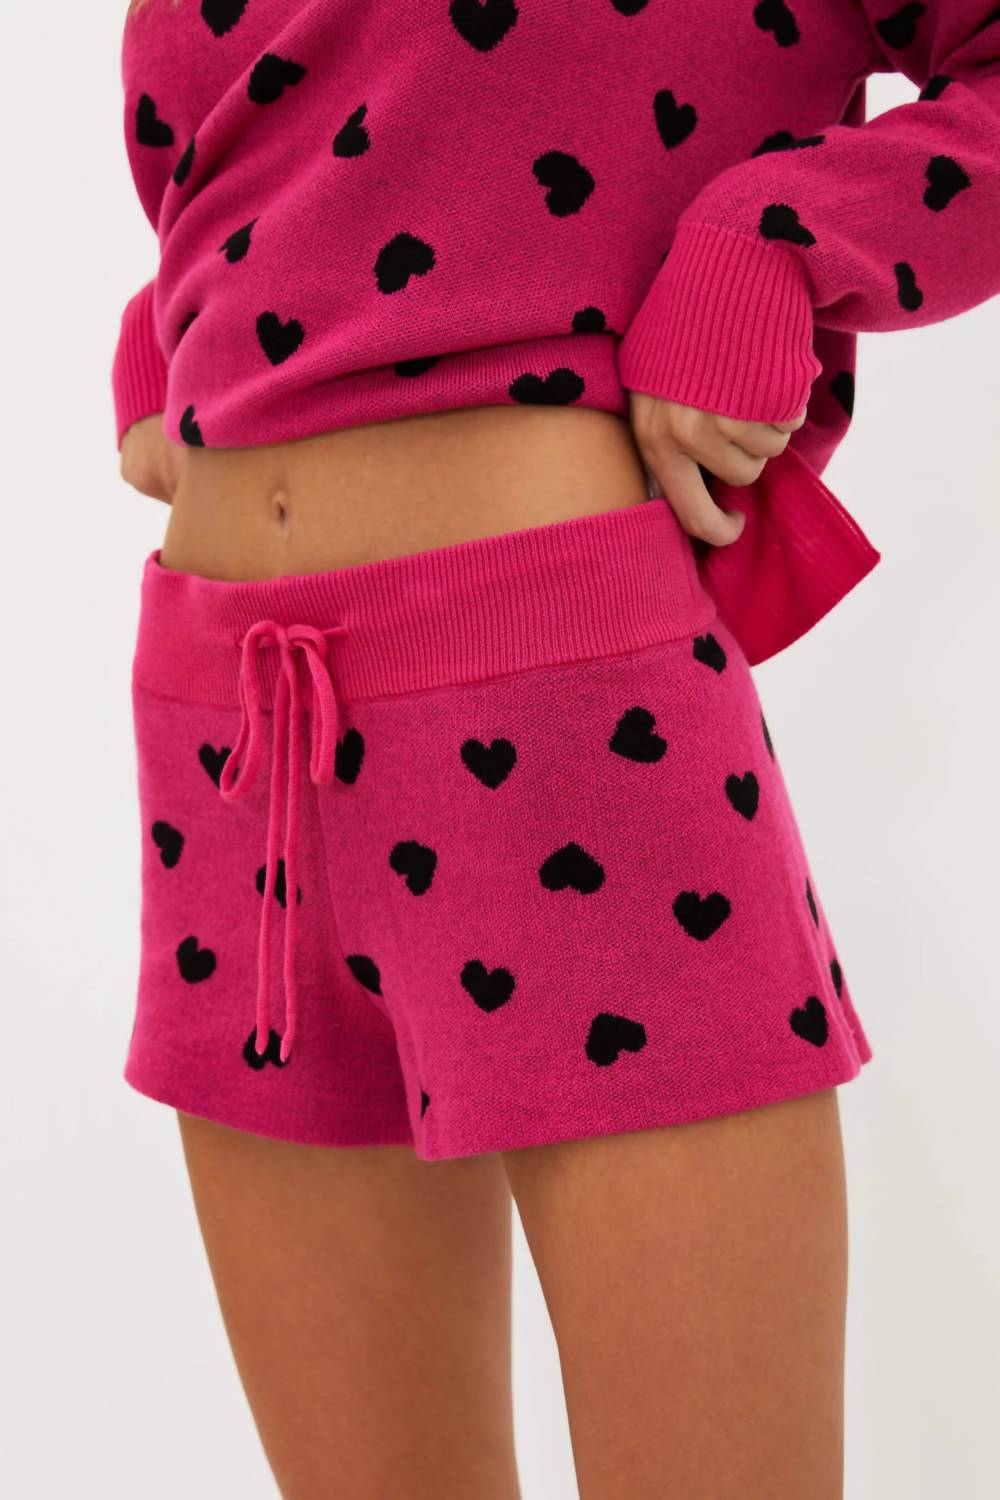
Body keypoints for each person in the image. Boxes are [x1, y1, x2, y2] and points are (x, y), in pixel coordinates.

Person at [112, 3, 999, 1495]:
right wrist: (178, 328)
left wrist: (776, 240)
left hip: (566, 715)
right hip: (229, 745)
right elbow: (306, 131)